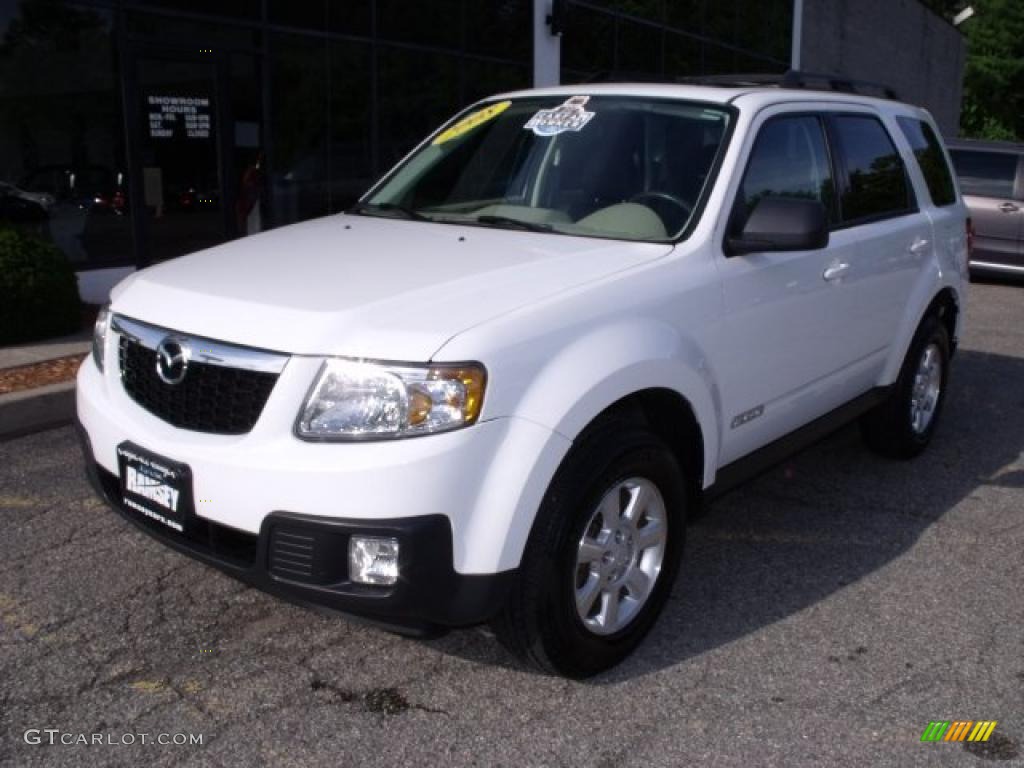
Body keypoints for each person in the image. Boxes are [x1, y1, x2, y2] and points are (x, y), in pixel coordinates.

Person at [236, 150, 264, 235]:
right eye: (258, 160)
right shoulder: (251, 172)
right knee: (252, 223)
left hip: (251, 201)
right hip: (250, 201)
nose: (259, 163)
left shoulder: (253, 172)